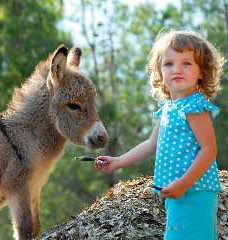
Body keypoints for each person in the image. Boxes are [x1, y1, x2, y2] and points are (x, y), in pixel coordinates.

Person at [95, 29, 225, 240]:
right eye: (169, 64)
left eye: (187, 63)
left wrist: (183, 184)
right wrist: (118, 161)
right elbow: (150, 144)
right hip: (177, 191)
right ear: (159, 72)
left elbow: (209, 149)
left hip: (194, 190)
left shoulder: (194, 106)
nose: (177, 69)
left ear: (202, 71)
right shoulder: (169, 108)